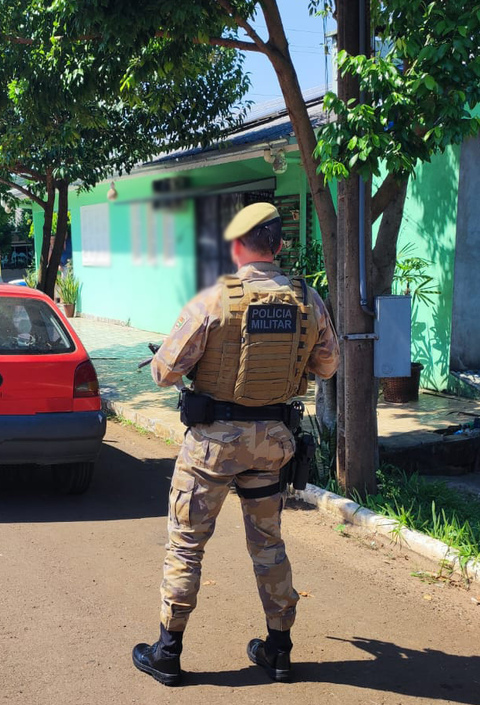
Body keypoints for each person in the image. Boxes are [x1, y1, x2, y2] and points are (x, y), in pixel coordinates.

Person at [132, 202, 339, 687]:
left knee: (186, 545)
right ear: (279, 245)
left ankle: (167, 652)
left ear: (236, 246)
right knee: (268, 544)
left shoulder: (213, 300)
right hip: (270, 446)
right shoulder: (308, 300)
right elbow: (327, 366)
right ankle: (279, 650)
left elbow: (165, 373)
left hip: (211, 450)